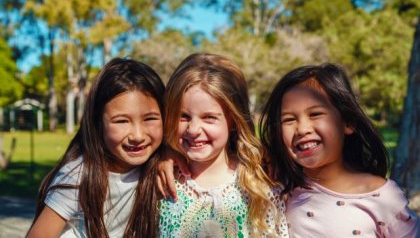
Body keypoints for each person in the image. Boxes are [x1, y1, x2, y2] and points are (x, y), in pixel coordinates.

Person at [258, 63, 419, 237]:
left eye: (315, 114)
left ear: (348, 122)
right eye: (289, 119)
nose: (302, 129)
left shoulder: (384, 197)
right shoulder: (282, 189)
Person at [26, 58, 165, 238]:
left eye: (150, 119)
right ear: (98, 123)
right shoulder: (79, 175)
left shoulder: (161, 164)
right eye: (121, 121)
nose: (137, 136)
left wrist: (169, 156)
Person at [158, 53, 289, 238]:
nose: (193, 129)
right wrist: (160, 154)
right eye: (183, 116)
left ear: (233, 120)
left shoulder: (259, 186)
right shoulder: (160, 181)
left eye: (209, 117)